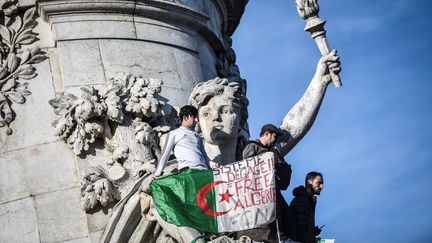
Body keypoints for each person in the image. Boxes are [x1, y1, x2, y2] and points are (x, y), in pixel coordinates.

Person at [240, 124, 296, 242]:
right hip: (260, 190)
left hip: (273, 188)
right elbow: (247, 167)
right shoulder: (252, 146)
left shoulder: (273, 151)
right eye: (274, 137)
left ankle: (284, 237)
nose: (275, 141)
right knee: (274, 215)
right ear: (267, 134)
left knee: (287, 215)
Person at [154, 105, 210, 176]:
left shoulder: (197, 136)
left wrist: (216, 166)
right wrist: (157, 173)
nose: (197, 120)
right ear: (185, 117)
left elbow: (205, 156)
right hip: (187, 172)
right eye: (194, 117)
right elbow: (165, 155)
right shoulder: (174, 134)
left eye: (197, 117)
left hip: (203, 172)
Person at [290, 172, 324, 243]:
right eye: (319, 183)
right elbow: (299, 230)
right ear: (309, 182)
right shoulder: (302, 201)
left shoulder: (307, 201)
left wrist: (313, 232)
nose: (321, 186)